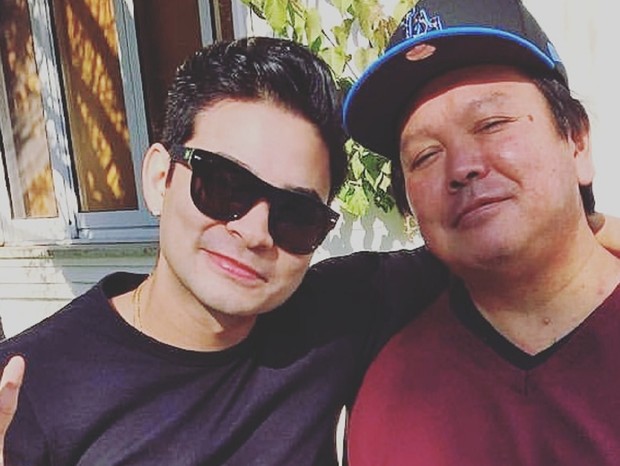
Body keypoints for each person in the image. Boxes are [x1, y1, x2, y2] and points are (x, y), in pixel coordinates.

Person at [0, 37, 449, 465]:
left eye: (296, 215)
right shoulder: (27, 388)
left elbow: (473, 248)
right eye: (223, 186)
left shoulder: (337, 316)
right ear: (159, 179)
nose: (255, 233)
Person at [341, 0, 620, 464]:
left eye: (492, 124)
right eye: (425, 155)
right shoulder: (392, 399)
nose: (462, 167)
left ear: (577, 141)